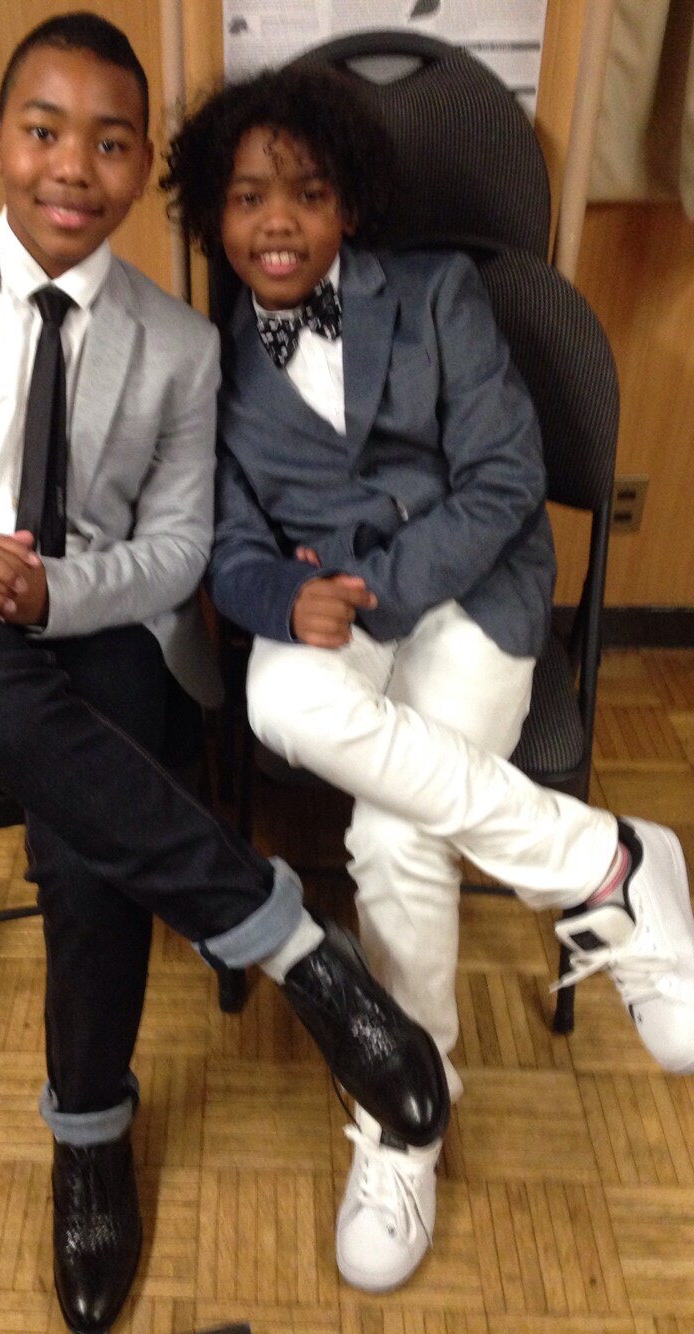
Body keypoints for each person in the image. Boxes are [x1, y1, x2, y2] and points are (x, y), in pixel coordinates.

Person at [0, 15, 449, 1334]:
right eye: (45, 132)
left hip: (96, 620)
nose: (72, 168)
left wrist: (50, 590)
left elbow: (176, 551)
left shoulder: (180, 344)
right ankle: (299, 950)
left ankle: (89, 1131)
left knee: (84, 818)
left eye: (108, 143)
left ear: (143, 161)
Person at [161, 62, 694, 1295]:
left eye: (306, 193)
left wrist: (379, 580)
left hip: (469, 589)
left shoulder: (440, 289)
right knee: (275, 695)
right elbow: (227, 543)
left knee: (395, 833)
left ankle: (404, 1112)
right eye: (247, 196)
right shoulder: (208, 360)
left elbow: (504, 479)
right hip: (327, 604)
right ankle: (603, 860)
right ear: (212, 212)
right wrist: (277, 596)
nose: (277, 220)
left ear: (350, 205)